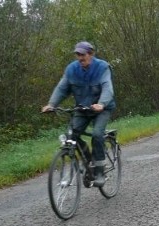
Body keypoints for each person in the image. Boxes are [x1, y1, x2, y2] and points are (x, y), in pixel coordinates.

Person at [42, 41, 116, 187]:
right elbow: (62, 88)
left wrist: (101, 103)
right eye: (78, 54)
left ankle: (100, 171)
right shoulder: (72, 69)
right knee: (71, 135)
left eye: (83, 54)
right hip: (82, 109)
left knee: (96, 134)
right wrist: (51, 104)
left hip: (102, 108)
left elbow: (107, 87)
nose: (80, 58)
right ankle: (87, 158)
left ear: (91, 54)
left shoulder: (102, 67)